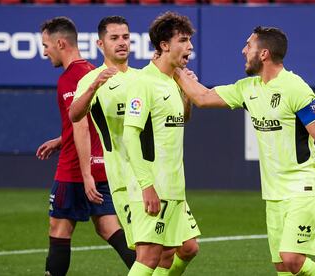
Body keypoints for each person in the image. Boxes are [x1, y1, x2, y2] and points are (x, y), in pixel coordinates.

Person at [174, 26, 315, 275]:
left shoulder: (296, 88)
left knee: (291, 259)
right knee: (282, 266)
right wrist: (175, 68)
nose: (243, 50)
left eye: (249, 46)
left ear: (264, 54)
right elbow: (203, 97)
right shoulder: (248, 88)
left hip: (304, 187)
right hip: (273, 193)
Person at [36, 16, 136, 276]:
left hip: (75, 169)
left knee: (59, 230)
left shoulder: (71, 79)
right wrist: (61, 139)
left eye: (46, 45)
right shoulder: (93, 71)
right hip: (103, 167)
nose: (44, 52)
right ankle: (148, 270)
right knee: (108, 228)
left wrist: (85, 171)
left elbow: (80, 125)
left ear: (60, 43)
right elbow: (92, 120)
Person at [122, 11, 200, 276]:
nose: (190, 46)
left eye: (189, 40)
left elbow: (181, 118)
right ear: (164, 45)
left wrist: (187, 94)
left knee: (187, 248)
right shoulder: (144, 82)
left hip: (175, 185)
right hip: (152, 184)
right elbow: (130, 136)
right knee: (149, 256)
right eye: (183, 40)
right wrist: (147, 186)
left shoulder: (174, 81)